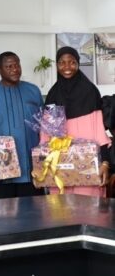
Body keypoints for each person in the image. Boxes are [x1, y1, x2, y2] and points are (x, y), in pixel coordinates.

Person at [44, 46, 110, 196]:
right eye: (62, 62)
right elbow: (45, 136)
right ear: (57, 65)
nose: (67, 67)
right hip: (60, 165)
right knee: (61, 212)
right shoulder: (53, 95)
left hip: (87, 165)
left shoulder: (90, 92)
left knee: (88, 209)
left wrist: (105, 162)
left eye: (72, 62)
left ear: (78, 63)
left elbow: (100, 132)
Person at [0, 52, 44, 198]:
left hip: (30, 164)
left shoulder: (33, 90)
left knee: (32, 212)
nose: (15, 69)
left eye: (17, 65)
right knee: (4, 213)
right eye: (9, 66)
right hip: (1, 165)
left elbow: (43, 124)